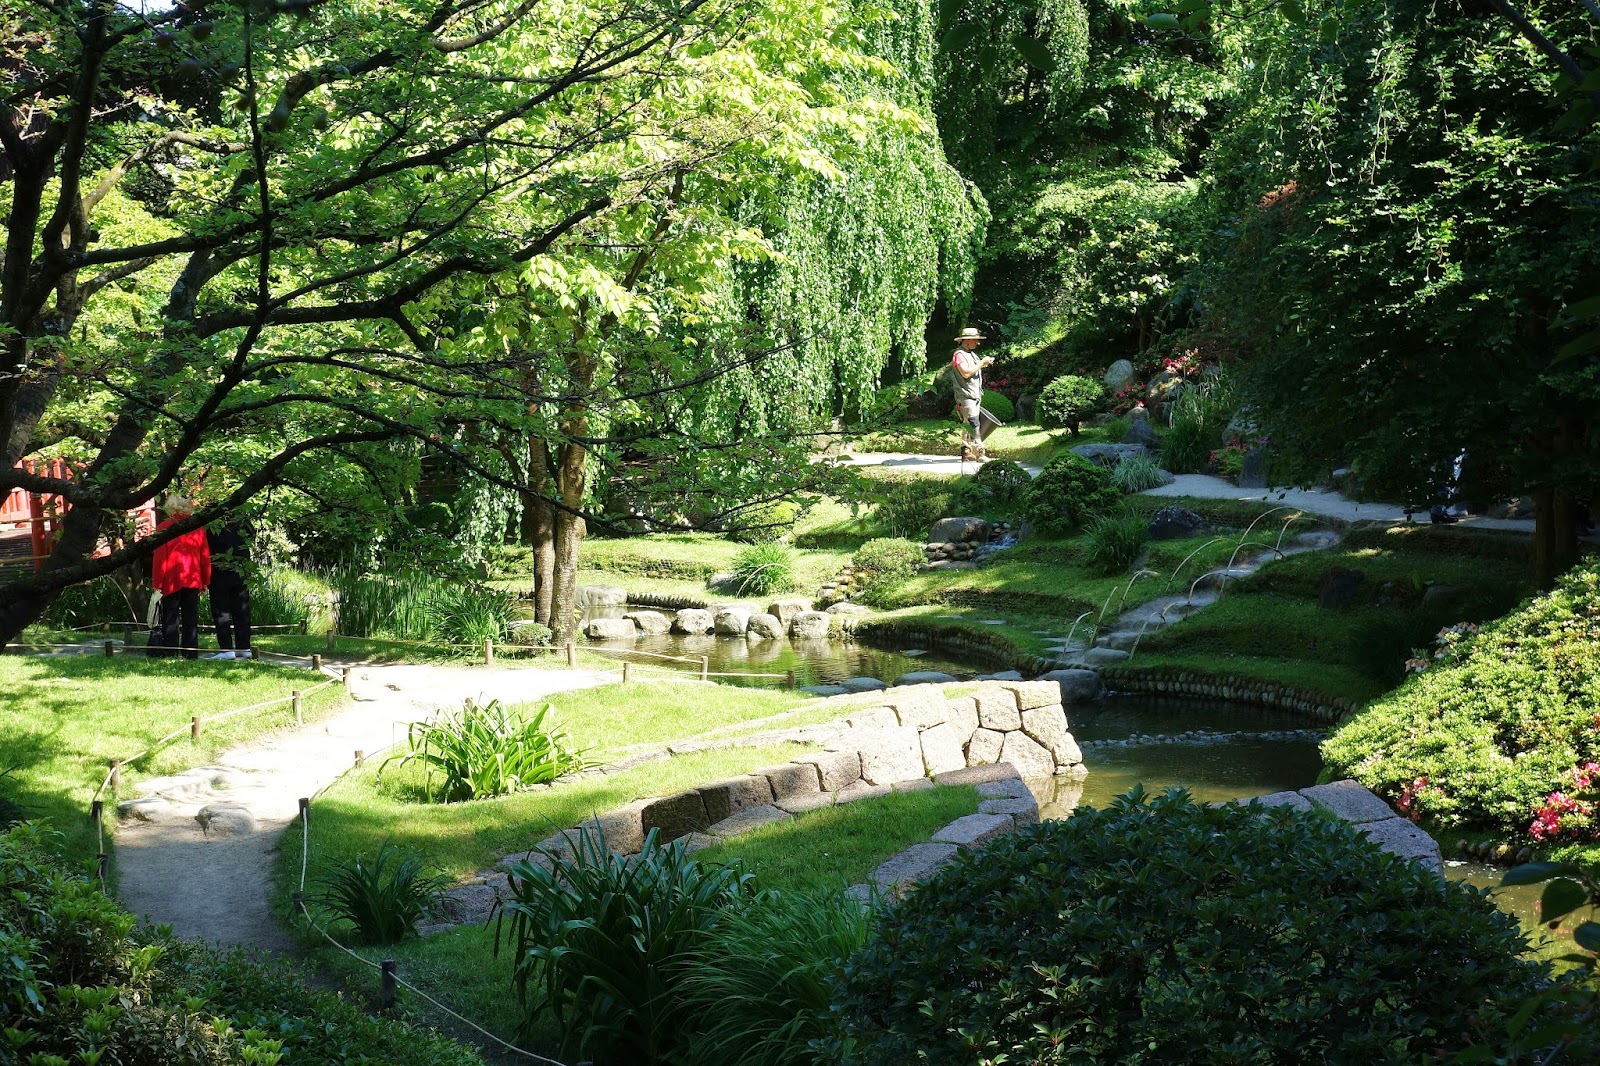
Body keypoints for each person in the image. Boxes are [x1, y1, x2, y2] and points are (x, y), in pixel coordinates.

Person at [149, 495, 211, 659]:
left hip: (171, 579)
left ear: (171, 509)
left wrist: (157, 582)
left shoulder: (164, 527)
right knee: (191, 616)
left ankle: (170, 651)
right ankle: (191, 652)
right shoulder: (198, 529)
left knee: (171, 615)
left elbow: (159, 557)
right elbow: (205, 557)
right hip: (192, 578)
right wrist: (205, 581)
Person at [205, 519, 252, 661]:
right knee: (241, 610)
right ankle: (244, 647)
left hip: (219, 570)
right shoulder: (242, 519)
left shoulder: (212, 521)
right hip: (240, 569)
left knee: (221, 610)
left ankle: (226, 648)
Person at [950, 326, 995, 461]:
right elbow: (966, 373)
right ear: (967, 340)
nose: (978, 342)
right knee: (974, 423)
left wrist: (983, 363)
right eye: (976, 340)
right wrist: (982, 363)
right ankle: (980, 453)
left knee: (968, 422)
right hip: (966, 396)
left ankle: (966, 451)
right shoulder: (959, 355)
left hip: (974, 395)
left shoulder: (971, 354)